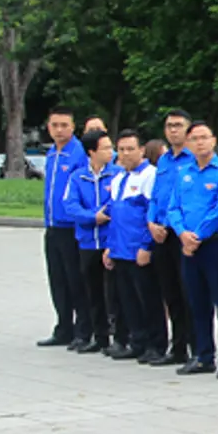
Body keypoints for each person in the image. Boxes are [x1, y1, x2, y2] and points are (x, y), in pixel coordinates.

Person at [167, 120, 218, 379]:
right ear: (188, 144)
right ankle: (203, 355)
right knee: (196, 303)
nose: (199, 142)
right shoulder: (183, 172)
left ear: (213, 140)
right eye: (194, 138)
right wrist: (182, 233)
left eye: (204, 137)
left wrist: (198, 234)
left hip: (215, 244)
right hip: (188, 246)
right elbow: (172, 207)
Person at [105, 130, 164, 363]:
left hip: (138, 250)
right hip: (121, 249)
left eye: (131, 149)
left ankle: (156, 344)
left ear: (141, 150)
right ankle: (137, 341)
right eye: (121, 149)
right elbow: (114, 215)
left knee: (148, 300)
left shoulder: (150, 175)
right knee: (128, 300)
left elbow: (152, 214)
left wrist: (146, 246)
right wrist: (110, 247)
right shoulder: (119, 178)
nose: (126, 154)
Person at [37, 106, 90, 350]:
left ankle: (83, 329)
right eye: (54, 125)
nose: (59, 130)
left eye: (64, 125)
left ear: (73, 127)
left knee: (75, 280)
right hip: (52, 225)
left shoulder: (78, 153)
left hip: (71, 227)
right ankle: (63, 327)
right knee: (57, 279)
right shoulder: (51, 154)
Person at [63, 129, 120, 355]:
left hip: (110, 243)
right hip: (88, 243)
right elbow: (70, 205)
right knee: (93, 293)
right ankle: (100, 337)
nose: (111, 152)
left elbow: (115, 204)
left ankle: (121, 336)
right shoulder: (78, 177)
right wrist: (92, 216)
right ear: (91, 152)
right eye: (106, 148)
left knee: (115, 293)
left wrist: (102, 214)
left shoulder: (116, 174)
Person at [146, 110, 194, 366]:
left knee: (189, 293)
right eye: (169, 126)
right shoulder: (164, 161)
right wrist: (152, 222)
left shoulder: (194, 160)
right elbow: (156, 196)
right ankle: (177, 348)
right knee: (170, 293)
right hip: (161, 233)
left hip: (183, 234)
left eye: (178, 125)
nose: (173, 130)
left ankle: (197, 347)